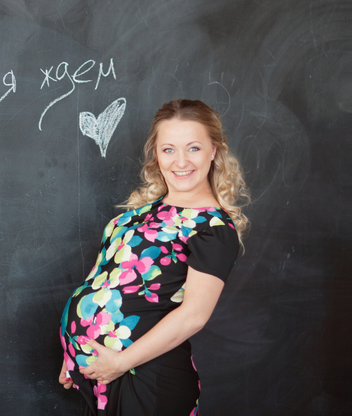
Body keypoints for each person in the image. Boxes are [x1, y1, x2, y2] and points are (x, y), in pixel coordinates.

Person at [58, 99, 250, 416]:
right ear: (157, 154)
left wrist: (121, 362)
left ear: (213, 151)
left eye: (194, 148)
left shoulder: (213, 228)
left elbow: (194, 315)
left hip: (147, 377)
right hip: (105, 372)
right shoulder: (142, 213)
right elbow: (104, 277)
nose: (180, 161)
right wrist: (75, 351)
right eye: (169, 149)